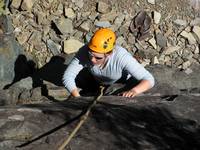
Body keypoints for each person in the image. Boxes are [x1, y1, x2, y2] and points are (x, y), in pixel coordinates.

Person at [63, 28, 155, 98]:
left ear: (109, 53)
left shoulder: (122, 57)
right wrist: (78, 98)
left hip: (121, 83)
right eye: (90, 54)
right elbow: (68, 76)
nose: (92, 60)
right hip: (97, 80)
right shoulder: (85, 51)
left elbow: (149, 79)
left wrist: (134, 91)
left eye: (98, 58)